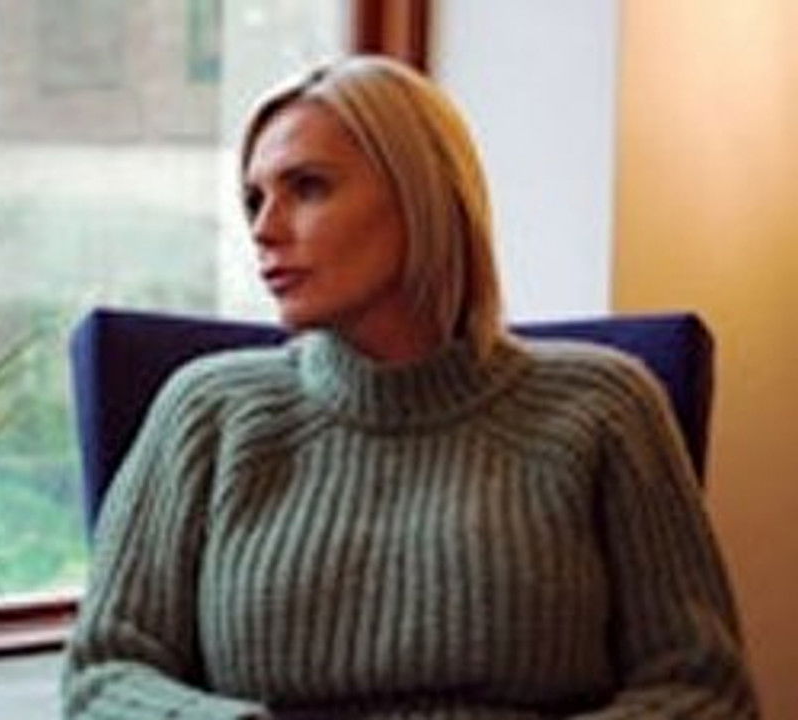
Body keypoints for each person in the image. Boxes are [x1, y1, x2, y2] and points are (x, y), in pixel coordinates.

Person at [62, 55, 758, 719]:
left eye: (308, 187)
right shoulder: (207, 410)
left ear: (424, 195)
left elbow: (704, 689)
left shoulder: (605, 406)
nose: (265, 230)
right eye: (254, 199)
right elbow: (105, 674)